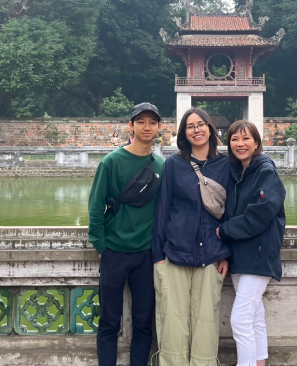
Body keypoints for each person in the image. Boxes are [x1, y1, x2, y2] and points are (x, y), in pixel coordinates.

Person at [88, 103, 165, 366]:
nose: (146, 127)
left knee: (144, 323)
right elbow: (96, 205)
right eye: (140, 121)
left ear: (158, 128)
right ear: (130, 125)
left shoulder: (162, 166)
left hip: (146, 253)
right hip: (115, 252)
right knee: (109, 321)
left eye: (152, 122)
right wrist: (101, 245)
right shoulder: (111, 162)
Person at [152, 108, 231, 366]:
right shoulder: (174, 164)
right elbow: (163, 209)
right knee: (172, 320)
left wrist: (225, 253)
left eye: (201, 124)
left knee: (206, 322)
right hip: (175, 252)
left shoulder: (226, 165)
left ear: (210, 128)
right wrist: (158, 255)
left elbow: (231, 213)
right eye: (190, 126)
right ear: (184, 133)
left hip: (211, 254)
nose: (196, 130)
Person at [216, 120, 286, 366]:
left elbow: (259, 215)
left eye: (246, 138)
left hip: (258, 255)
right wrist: (225, 252)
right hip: (240, 256)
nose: (240, 144)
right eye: (234, 139)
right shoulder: (237, 173)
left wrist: (223, 232)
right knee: (255, 316)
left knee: (241, 320)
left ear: (256, 143)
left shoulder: (265, 171)